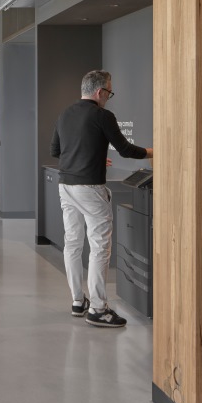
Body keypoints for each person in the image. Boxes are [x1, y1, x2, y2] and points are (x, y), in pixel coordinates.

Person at [51, 70, 152, 328]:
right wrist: (154, 151)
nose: (109, 96)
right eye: (109, 91)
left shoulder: (65, 114)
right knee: (99, 247)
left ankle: (77, 301)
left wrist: (90, 157)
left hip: (66, 186)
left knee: (72, 243)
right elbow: (126, 150)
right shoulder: (102, 115)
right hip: (90, 189)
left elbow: (56, 151)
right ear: (100, 92)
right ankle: (98, 308)